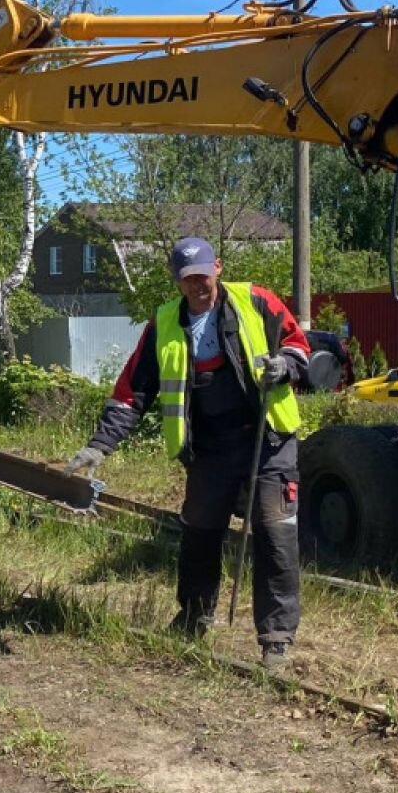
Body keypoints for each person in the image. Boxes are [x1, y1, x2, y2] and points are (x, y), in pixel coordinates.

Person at [65, 237, 310, 672]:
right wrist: (99, 446)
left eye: (203, 275)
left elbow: (298, 345)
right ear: (177, 281)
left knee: (275, 537)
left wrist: (286, 366)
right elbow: (132, 392)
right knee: (199, 534)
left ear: (217, 268)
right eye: (188, 279)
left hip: (266, 439)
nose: (198, 285)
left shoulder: (254, 299)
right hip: (208, 449)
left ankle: (276, 640)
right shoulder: (163, 324)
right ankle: (194, 617)